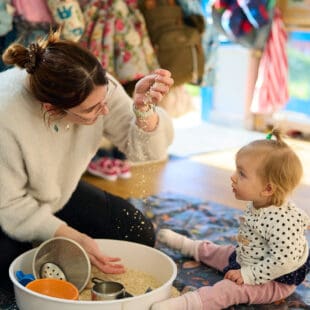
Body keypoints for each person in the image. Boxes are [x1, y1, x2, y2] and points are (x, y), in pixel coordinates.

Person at [0, 28, 174, 290]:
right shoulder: (6, 114)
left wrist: (143, 111)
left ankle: (44, 240)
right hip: (6, 204)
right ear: (51, 109)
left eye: (104, 101)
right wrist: (72, 236)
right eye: (91, 110)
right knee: (10, 271)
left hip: (56, 192)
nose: (104, 111)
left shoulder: (96, 87)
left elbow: (145, 152)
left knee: (137, 233)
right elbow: (10, 204)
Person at [153, 129, 310, 310]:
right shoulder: (263, 201)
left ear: (267, 189)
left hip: (274, 279)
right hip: (249, 257)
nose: (233, 176)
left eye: (241, 174)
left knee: (231, 290)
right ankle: (190, 246)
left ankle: (188, 304)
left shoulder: (282, 222)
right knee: (222, 253)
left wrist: (248, 275)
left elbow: (284, 262)